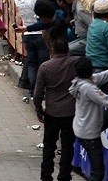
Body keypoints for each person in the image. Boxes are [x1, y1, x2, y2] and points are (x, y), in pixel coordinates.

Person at [69, 57, 108, 181]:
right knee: (98, 172)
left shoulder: (81, 82)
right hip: (89, 135)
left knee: (97, 170)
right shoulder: (89, 88)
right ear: (90, 70)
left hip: (83, 127)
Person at [33, 39, 79, 181]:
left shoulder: (45, 67)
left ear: (52, 51)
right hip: (70, 112)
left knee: (49, 146)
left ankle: (46, 176)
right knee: (67, 146)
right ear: (68, 50)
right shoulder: (75, 63)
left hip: (52, 112)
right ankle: (64, 176)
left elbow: (38, 92)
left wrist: (39, 109)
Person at [14, 0, 49, 99]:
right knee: (42, 63)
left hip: (27, 33)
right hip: (39, 32)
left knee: (32, 64)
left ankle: (33, 90)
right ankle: (41, 90)